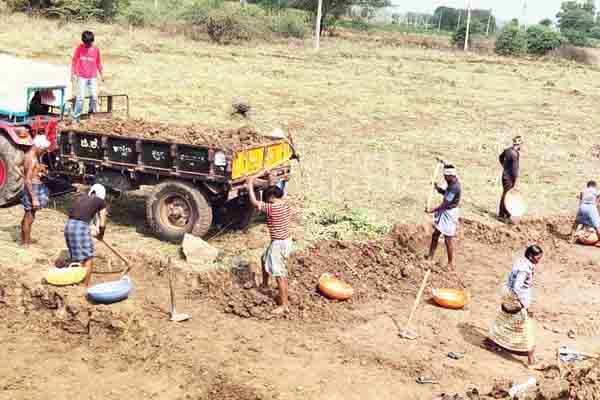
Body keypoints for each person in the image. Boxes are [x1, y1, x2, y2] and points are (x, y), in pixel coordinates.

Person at [485, 245, 544, 368]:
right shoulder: (525, 270)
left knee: (504, 318)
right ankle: (531, 360)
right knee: (525, 325)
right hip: (514, 297)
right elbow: (518, 288)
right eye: (537, 258)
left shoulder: (520, 261)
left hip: (506, 292)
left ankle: (490, 342)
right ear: (530, 256)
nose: (539, 260)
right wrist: (526, 306)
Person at [247, 171, 293, 315]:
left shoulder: (273, 208)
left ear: (272, 198)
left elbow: (254, 202)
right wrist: (268, 177)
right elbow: (280, 190)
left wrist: (250, 183)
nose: (266, 201)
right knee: (264, 258)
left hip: (278, 244)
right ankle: (265, 285)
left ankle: (284, 305)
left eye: (267, 198)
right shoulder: (285, 202)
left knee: (280, 274)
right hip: (284, 241)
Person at [64, 184, 108, 287]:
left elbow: (80, 216)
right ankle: (84, 287)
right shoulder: (101, 202)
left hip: (69, 225)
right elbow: (103, 221)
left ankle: (74, 284)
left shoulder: (81, 198)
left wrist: (90, 229)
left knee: (76, 258)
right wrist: (101, 234)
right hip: (80, 227)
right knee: (88, 259)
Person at [15, 135, 51, 246]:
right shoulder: (32, 158)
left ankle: (25, 240)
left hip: (33, 186)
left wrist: (37, 169)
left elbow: (15, 165)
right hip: (33, 188)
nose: (44, 152)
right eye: (44, 150)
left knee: (29, 214)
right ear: (39, 147)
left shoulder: (29, 155)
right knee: (29, 215)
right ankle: (25, 243)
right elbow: (28, 180)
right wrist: (34, 198)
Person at [425, 164, 461, 269]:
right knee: (435, 234)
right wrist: (438, 189)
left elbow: (445, 203)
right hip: (446, 211)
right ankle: (430, 256)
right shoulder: (452, 183)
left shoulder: (454, 187)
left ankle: (450, 263)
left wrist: (431, 210)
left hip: (449, 214)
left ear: (450, 176)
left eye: (445, 176)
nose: (444, 177)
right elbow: (446, 193)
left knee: (448, 239)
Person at [71, 30, 103, 119]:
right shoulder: (79, 48)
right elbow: (74, 61)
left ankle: (91, 113)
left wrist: (101, 74)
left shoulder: (96, 49)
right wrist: (73, 73)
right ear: (83, 41)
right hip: (81, 76)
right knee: (80, 98)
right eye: (86, 43)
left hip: (92, 76)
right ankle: (76, 117)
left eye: (89, 43)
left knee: (94, 96)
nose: (88, 45)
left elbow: (98, 62)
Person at [498, 136, 522, 224]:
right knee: (507, 196)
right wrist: (516, 181)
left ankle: (504, 214)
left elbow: (500, 157)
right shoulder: (515, 154)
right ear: (519, 145)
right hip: (510, 178)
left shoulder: (507, 150)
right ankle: (503, 215)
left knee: (505, 195)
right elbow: (515, 170)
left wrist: (504, 166)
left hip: (505, 176)